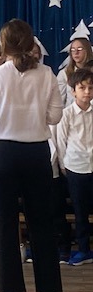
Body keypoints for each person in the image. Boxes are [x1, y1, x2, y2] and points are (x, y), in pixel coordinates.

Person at [0, 18, 63, 292]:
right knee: (42, 222)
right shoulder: (47, 74)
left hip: (3, 153)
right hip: (36, 153)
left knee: (6, 222)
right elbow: (55, 117)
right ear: (30, 42)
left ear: (4, 45)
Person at [56, 69, 93, 266]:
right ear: (73, 91)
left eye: (90, 88)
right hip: (75, 168)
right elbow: (61, 143)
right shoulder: (66, 114)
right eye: (82, 88)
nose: (86, 92)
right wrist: (65, 166)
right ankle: (83, 250)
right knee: (80, 212)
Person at [56, 38, 93, 107]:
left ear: (87, 51)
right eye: (73, 50)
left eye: (79, 49)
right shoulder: (64, 73)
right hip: (72, 112)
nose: (76, 52)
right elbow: (59, 100)